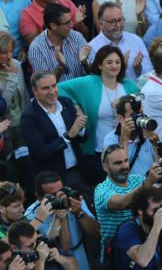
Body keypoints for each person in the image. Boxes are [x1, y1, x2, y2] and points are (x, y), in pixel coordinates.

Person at [57, 46, 137, 181]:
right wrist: (76, 106)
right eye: (109, 62)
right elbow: (59, 88)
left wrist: (124, 100)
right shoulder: (88, 82)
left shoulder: (129, 85)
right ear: (100, 65)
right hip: (98, 151)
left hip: (127, 149)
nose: (114, 66)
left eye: (118, 62)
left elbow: (141, 98)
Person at [24, 171, 98, 270]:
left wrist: (79, 212)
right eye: (53, 195)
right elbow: (64, 246)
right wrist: (61, 218)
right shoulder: (33, 216)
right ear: (39, 197)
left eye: (61, 191)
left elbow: (95, 233)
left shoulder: (73, 202)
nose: (60, 197)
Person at [20, 71, 90, 189]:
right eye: (45, 88)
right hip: (51, 181)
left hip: (78, 172)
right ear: (34, 91)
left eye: (54, 85)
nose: (52, 92)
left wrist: (81, 127)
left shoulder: (66, 102)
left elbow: (83, 137)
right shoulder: (29, 117)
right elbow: (40, 153)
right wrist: (68, 136)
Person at [94, 144, 162, 260]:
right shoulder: (101, 190)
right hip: (117, 259)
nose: (125, 166)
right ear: (105, 167)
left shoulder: (137, 179)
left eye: (126, 161)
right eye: (118, 163)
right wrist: (147, 183)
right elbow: (122, 203)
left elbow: (158, 199)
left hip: (145, 249)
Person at [88, 2, 152, 83]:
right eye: (112, 21)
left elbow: (149, 71)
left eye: (120, 20)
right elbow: (96, 81)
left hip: (138, 92)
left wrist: (139, 68)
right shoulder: (92, 48)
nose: (118, 25)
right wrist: (121, 68)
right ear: (101, 23)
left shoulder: (136, 40)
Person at [19, 0, 86, 47]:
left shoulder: (67, 3)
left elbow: (86, 36)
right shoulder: (27, 15)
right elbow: (35, 47)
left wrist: (80, 23)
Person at [28, 3, 89, 81]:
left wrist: (84, 62)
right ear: (53, 26)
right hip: (57, 92)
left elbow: (93, 74)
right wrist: (60, 67)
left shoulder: (76, 36)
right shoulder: (36, 48)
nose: (71, 25)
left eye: (71, 21)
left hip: (80, 89)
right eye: (67, 23)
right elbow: (44, 84)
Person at [0, 32, 29, 173]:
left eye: (11, 51)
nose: (9, 56)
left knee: (25, 159)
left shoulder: (16, 64)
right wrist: (10, 77)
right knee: (9, 165)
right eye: (4, 52)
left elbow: (23, 93)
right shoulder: (12, 69)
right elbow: (2, 104)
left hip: (21, 122)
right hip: (4, 127)